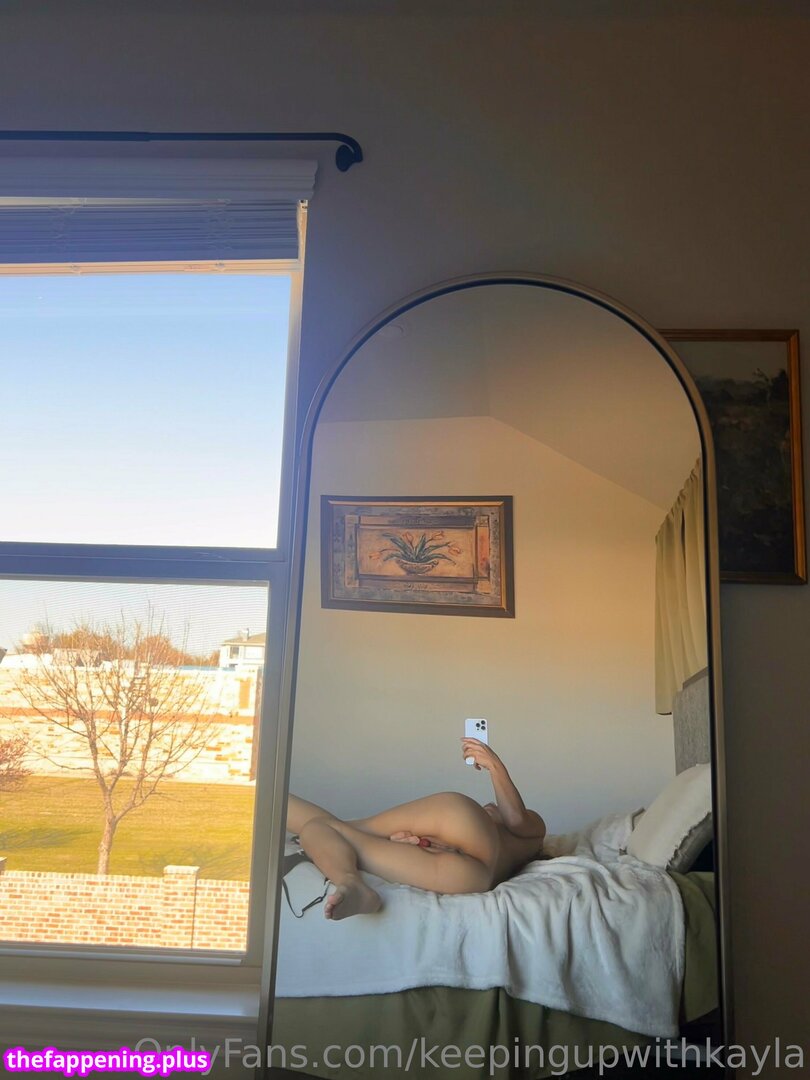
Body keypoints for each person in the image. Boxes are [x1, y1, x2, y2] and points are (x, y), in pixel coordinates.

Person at [286, 737, 547, 920]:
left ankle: (267, 796)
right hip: (467, 879)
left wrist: (495, 767)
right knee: (316, 830)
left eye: (493, 806)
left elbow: (516, 818)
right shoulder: (518, 850)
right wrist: (417, 842)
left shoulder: (534, 828)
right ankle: (351, 883)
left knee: (343, 828)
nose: (490, 805)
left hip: (462, 829)